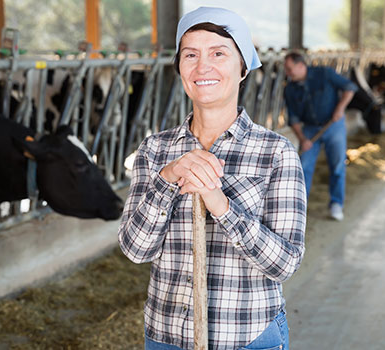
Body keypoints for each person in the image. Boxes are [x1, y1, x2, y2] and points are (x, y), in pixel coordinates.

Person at [118, 7, 306, 350]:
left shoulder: (275, 152)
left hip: (247, 335)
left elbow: (284, 263)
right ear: (180, 69)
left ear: (243, 67)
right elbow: (135, 250)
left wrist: (220, 204)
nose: (202, 66)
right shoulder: (155, 150)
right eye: (190, 55)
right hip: (167, 336)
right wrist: (168, 178)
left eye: (218, 53)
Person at [283, 52, 357, 221]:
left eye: (290, 69)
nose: (288, 73)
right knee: (304, 167)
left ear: (301, 66)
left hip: (333, 125)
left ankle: (336, 204)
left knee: (337, 164)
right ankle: (300, 207)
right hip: (309, 129)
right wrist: (302, 139)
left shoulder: (324, 73)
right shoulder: (289, 89)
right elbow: (293, 118)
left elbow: (350, 88)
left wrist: (340, 108)